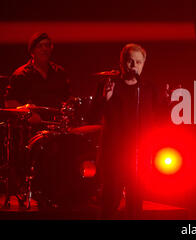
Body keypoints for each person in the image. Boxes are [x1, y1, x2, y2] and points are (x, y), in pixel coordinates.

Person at [89, 43, 167, 219]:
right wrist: (105, 99)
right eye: (130, 61)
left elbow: (159, 120)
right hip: (114, 153)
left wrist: (170, 105)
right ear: (121, 63)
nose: (134, 66)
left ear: (143, 64)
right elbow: (92, 116)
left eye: (138, 62)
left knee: (135, 204)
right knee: (110, 201)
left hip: (140, 154)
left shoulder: (148, 88)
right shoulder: (109, 85)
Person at [2, 32, 70, 208]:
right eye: (41, 46)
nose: (45, 49)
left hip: (57, 126)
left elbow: (67, 99)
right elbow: (10, 102)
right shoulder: (21, 75)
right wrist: (30, 115)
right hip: (31, 129)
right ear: (32, 51)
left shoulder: (60, 73)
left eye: (48, 45)